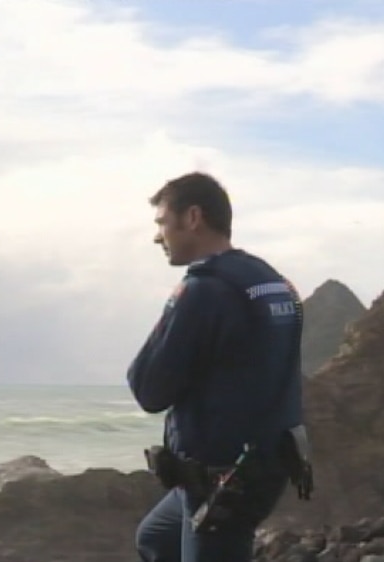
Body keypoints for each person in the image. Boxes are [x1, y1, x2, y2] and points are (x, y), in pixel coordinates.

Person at [126, 172, 308, 562]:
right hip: (267, 463)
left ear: (193, 218)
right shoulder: (271, 281)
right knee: (157, 539)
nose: (158, 236)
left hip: (224, 479)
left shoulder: (205, 290)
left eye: (161, 223)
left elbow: (149, 390)